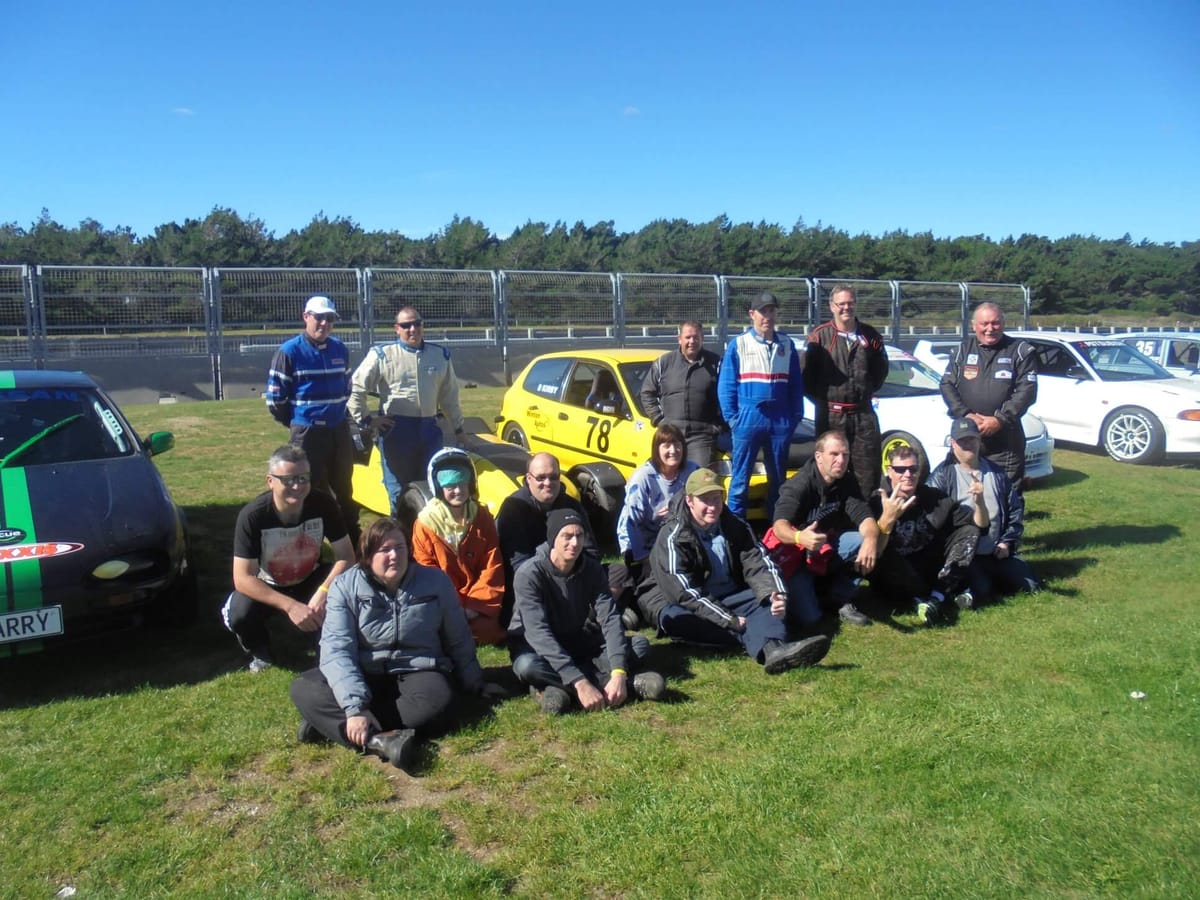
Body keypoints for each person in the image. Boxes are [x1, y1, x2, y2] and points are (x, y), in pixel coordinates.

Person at [289, 518, 493, 771]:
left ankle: (330, 724)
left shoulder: (435, 581)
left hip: (416, 668)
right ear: (367, 555)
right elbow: (337, 648)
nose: (394, 555)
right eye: (384, 550)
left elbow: (458, 636)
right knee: (303, 687)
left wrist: (473, 681)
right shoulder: (344, 587)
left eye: (399, 547)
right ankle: (377, 740)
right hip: (364, 669)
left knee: (440, 703)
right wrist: (355, 707)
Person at [642, 468, 832, 674]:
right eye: (705, 500)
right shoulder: (672, 537)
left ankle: (773, 652)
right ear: (690, 501)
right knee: (679, 621)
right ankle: (768, 640)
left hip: (731, 596)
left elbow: (759, 560)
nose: (713, 507)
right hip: (680, 604)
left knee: (766, 603)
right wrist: (729, 619)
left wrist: (774, 594)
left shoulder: (734, 524)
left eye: (717, 498)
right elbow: (684, 592)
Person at [508, 509, 667, 715]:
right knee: (527, 666)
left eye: (579, 536)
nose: (574, 543)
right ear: (553, 538)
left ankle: (556, 689)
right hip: (537, 647)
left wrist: (618, 671)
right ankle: (625, 685)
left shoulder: (591, 568)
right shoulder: (529, 574)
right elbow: (538, 633)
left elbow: (609, 618)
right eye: (567, 536)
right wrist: (579, 681)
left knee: (639, 645)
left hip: (578, 639)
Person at [222, 445, 357, 671]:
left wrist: (323, 592)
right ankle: (259, 649)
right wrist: (291, 606)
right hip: (269, 583)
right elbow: (242, 578)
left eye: (304, 478)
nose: (298, 486)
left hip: (310, 577)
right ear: (270, 481)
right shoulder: (253, 516)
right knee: (240, 614)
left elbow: (346, 557)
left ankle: (332, 640)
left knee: (349, 589)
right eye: (289, 480)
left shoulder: (323, 504)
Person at [347, 306, 465, 515]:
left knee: (433, 485)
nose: (412, 329)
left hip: (430, 430)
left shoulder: (440, 355)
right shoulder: (383, 354)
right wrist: (367, 420)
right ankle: (401, 536)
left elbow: (450, 396)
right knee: (398, 491)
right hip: (397, 430)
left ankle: (428, 536)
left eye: (416, 323)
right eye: (406, 325)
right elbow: (355, 388)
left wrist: (458, 428)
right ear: (396, 329)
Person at [265, 295, 359, 545]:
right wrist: (298, 422)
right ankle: (307, 542)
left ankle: (351, 538)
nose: (324, 323)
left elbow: (346, 388)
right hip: (307, 434)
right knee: (305, 488)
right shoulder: (289, 351)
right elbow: (275, 400)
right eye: (319, 317)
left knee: (345, 487)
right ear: (306, 317)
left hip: (338, 430)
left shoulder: (340, 348)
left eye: (330, 319)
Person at [769, 430, 882, 629]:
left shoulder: (845, 481)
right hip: (796, 556)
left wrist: (872, 540)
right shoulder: (799, 484)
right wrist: (799, 536)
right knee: (810, 619)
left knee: (866, 540)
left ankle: (839, 597)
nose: (841, 460)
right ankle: (811, 595)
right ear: (818, 456)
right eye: (834, 454)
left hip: (827, 548)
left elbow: (865, 517)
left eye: (845, 455)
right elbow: (779, 526)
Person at [869, 444, 987, 625]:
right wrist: (887, 520)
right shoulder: (878, 502)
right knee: (888, 559)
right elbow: (874, 554)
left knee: (969, 532)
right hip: (895, 576)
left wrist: (979, 502)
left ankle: (935, 598)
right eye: (901, 470)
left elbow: (980, 527)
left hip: (930, 571)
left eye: (913, 469)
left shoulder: (935, 498)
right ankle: (937, 596)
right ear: (889, 472)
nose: (907, 475)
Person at [928, 417, 1041, 606]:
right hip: (966, 556)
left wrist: (1007, 543)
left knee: (1030, 586)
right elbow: (933, 523)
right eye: (962, 441)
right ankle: (966, 589)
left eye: (972, 439)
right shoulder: (941, 477)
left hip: (997, 551)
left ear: (979, 440)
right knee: (982, 590)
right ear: (953, 443)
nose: (968, 445)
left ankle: (981, 583)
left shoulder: (996, 473)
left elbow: (1014, 511)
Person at [717, 291, 805, 520]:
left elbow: (796, 383)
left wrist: (795, 415)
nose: (768, 316)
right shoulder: (739, 344)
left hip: (780, 418)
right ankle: (736, 531)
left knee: (778, 479)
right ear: (752, 314)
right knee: (740, 479)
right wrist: (733, 419)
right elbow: (726, 386)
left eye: (771, 310)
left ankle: (775, 531)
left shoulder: (786, 344)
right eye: (763, 311)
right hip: (748, 417)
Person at [410, 448, 505, 645]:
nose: (458, 490)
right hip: (442, 601)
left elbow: (492, 565)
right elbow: (427, 571)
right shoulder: (425, 525)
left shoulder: (482, 517)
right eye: (450, 486)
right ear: (438, 487)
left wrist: (474, 606)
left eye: (462, 483)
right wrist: (453, 607)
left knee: (491, 630)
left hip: (478, 602)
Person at [611, 423, 700, 628]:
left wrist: (677, 511)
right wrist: (640, 557)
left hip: (679, 537)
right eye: (666, 445)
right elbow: (630, 520)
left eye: (677, 444)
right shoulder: (644, 477)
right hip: (642, 541)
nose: (673, 451)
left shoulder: (692, 471)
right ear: (656, 449)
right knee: (652, 579)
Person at [803, 285, 889, 497]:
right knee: (830, 472)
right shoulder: (819, 337)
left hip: (863, 415)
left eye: (850, 303)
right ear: (832, 306)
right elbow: (807, 379)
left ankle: (865, 522)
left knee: (867, 474)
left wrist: (862, 392)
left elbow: (880, 372)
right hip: (831, 416)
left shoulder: (871, 336)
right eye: (841, 304)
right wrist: (828, 401)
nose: (846, 308)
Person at [939, 302, 1038, 485]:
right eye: (984, 324)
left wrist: (1000, 419)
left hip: (1005, 440)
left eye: (995, 323)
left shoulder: (1021, 351)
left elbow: (1027, 391)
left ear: (1003, 323)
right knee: (963, 490)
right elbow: (947, 385)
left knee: (1006, 494)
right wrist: (966, 414)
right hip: (966, 436)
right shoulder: (962, 350)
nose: (990, 329)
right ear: (974, 325)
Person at [495, 452, 598, 626]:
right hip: (532, 583)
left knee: (618, 574)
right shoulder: (513, 509)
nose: (548, 483)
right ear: (529, 478)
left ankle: (590, 614)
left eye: (553, 477)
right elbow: (518, 565)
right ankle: (585, 616)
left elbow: (591, 552)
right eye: (541, 478)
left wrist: (573, 573)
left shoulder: (572, 506)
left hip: (572, 576)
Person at [639, 321, 724, 466]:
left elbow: (728, 395)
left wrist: (720, 425)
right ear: (679, 339)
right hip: (670, 434)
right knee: (669, 479)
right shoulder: (663, 363)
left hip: (701, 438)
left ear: (702, 338)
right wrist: (659, 420)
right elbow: (647, 393)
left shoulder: (716, 364)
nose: (692, 341)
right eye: (688, 337)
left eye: (696, 337)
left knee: (699, 480)